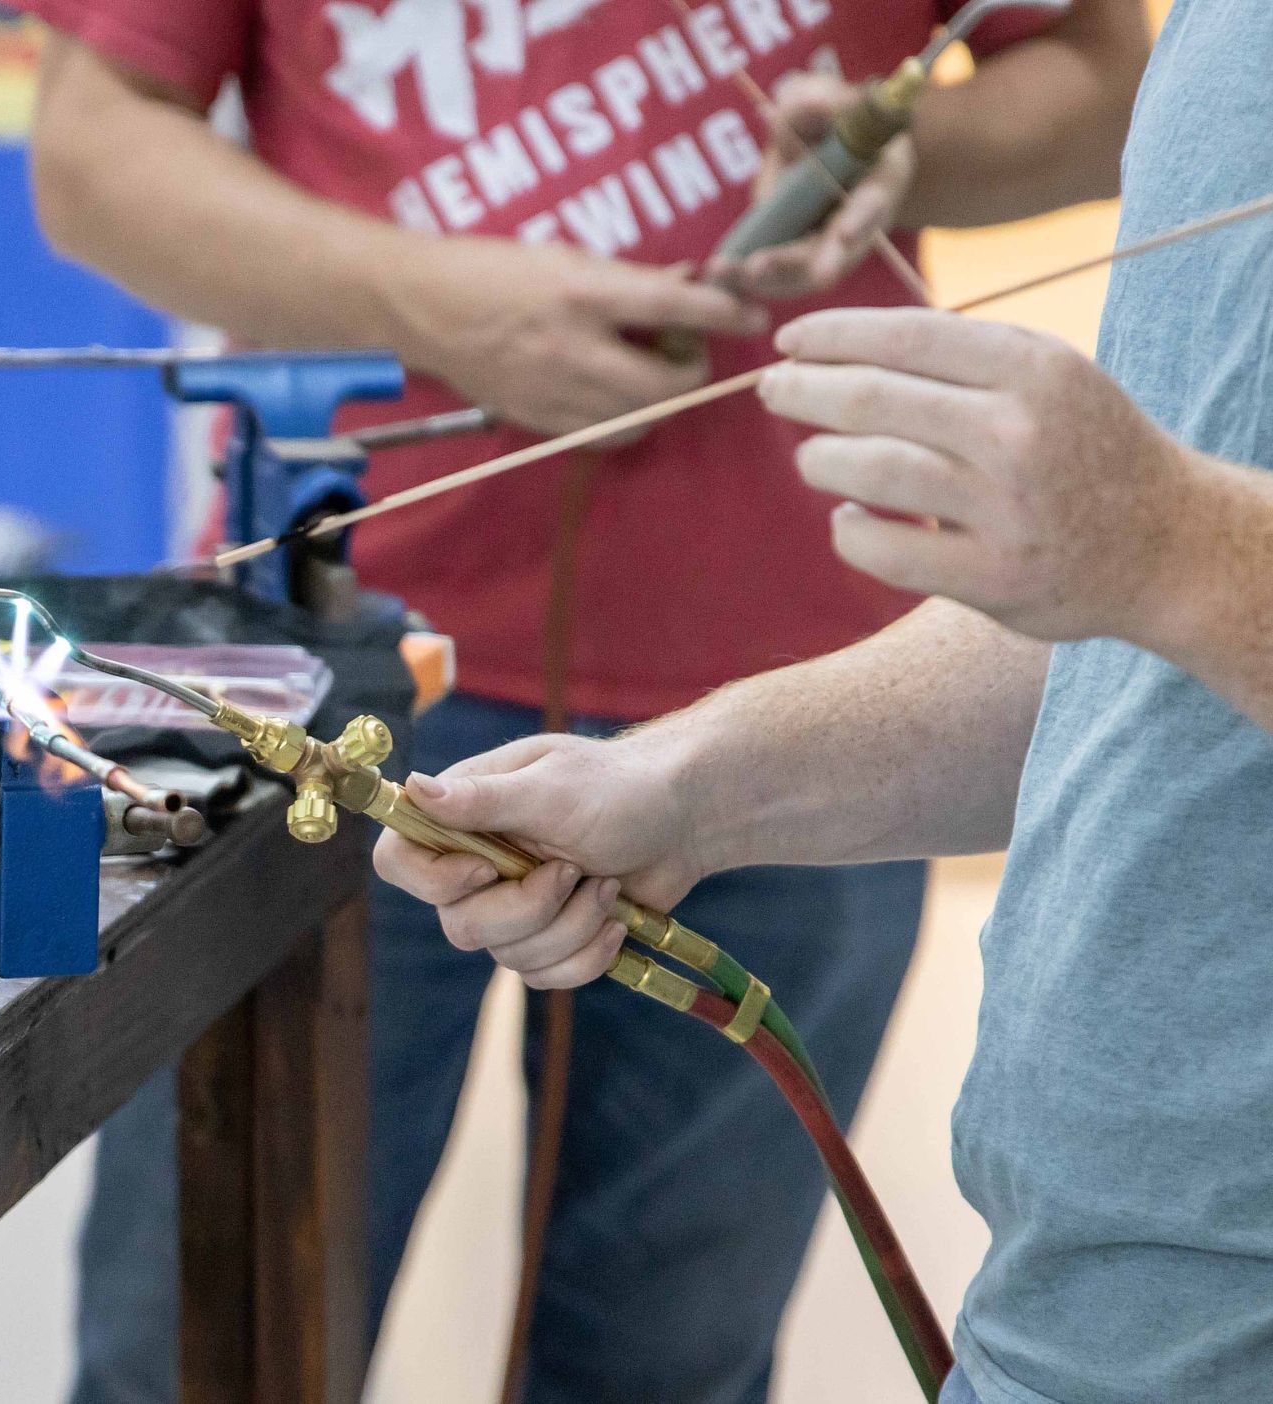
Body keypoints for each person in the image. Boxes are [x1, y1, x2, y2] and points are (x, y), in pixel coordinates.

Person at [16, 1, 1149, 1398]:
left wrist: (920, 147)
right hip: (339, 676)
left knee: (668, 1362)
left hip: (824, 718)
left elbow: (1111, 73)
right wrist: (433, 300)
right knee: (209, 1350)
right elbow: (91, 148)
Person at [376, 4, 1273, 1401]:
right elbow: (1142, 649)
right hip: (1086, 1301)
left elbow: (1176, 563)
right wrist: (691, 784)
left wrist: (1163, 537)